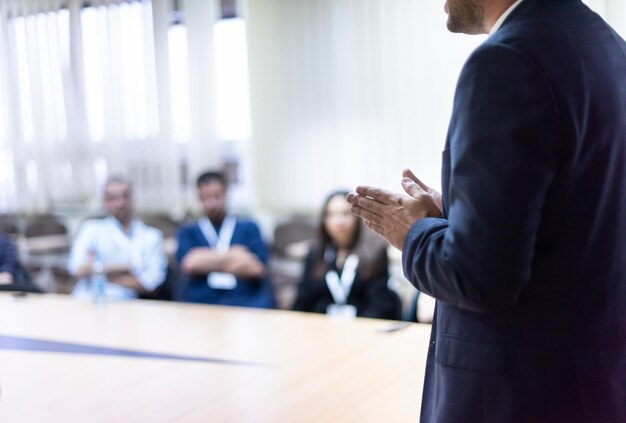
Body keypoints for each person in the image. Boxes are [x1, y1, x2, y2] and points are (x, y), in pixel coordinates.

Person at [346, 0, 626, 422]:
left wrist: (413, 232)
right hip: (594, 382)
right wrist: (459, 210)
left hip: (519, 396)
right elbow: (580, 212)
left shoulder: (506, 61)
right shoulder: (607, 47)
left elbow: (479, 277)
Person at [292, 190, 401, 320]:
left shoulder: (375, 254)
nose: (339, 221)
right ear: (324, 220)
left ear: (357, 217)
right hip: (322, 329)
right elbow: (303, 303)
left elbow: (379, 306)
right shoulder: (315, 254)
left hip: (362, 327)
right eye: (331, 215)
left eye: (345, 214)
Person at [176, 171, 275, 308]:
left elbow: (256, 268)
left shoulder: (248, 227)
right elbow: (190, 264)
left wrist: (205, 260)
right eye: (205, 198)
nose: (212, 204)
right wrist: (236, 255)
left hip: (245, 302)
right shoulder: (188, 230)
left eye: (217, 196)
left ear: (226, 193)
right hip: (202, 303)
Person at [67, 176, 167, 300]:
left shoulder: (151, 236)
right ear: (104, 202)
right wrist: (130, 267)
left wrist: (96, 271)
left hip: (129, 305)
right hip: (87, 300)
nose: (120, 203)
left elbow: (150, 284)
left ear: (133, 198)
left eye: (125, 196)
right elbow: (77, 269)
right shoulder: (91, 229)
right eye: (112, 198)